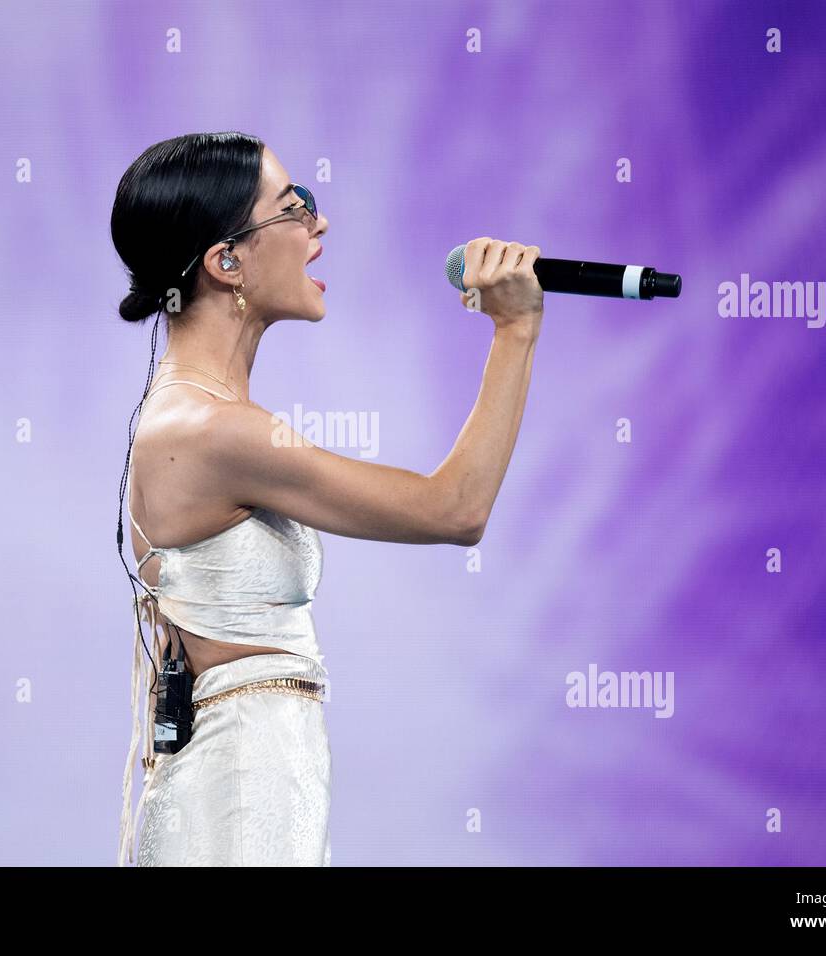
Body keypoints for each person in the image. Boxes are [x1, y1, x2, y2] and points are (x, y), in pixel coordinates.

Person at [112, 131, 545, 866]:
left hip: (262, 787)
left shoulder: (205, 416)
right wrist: (516, 329)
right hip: (237, 803)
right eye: (294, 208)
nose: (320, 224)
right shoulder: (214, 431)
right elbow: (454, 508)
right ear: (226, 261)